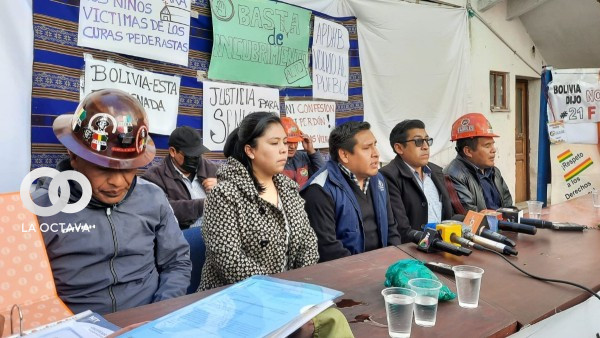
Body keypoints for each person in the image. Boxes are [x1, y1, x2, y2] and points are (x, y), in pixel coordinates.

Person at [33, 89, 191, 315]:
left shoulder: (153, 199)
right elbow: (27, 297)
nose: (117, 182)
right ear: (74, 156)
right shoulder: (39, 212)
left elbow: (177, 262)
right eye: (103, 168)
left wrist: (159, 315)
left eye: (128, 169)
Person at [199, 112, 353, 337]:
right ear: (250, 150)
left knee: (331, 318)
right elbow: (228, 258)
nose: (283, 149)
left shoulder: (288, 190)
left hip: (289, 293)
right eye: (274, 143)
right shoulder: (225, 194)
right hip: (235, 300)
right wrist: (278, 293)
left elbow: (308, 242)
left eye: (285, 142)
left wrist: (297, 288)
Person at [301, 121, 401, 262]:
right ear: (344, 155)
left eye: (375, 145)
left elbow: (391, 228)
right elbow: (327, 248)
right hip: (345, 274)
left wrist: (394, 263)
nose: (376, 154)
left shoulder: (378, 179)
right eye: (367, 148)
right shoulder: (319, 189)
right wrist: (368, 270)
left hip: (381, 267)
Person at [381, 120, 455, 242]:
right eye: (418, 141)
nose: (425, 146)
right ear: (399, 148)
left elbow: (448, 217)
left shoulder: (436, 171)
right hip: (413, 249)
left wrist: (474, 217)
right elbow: (401, 229)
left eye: (427, 140)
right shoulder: (389, 176)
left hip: (444, 244)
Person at [143, 126, 218, 229]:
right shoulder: (155, 177)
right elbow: (162, 209)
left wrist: (222, 187)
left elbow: (240, 191)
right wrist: (203, 205)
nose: (196, 159)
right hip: (181, 236)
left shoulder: (213, 169)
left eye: (198, 154)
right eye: (190, 155)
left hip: (219, 231)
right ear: (173, 151)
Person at [443, 113, 513, 212]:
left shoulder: (494, 172)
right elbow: (469, 215)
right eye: (487, 146)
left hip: (501, 226)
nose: (493, 150)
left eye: (493, 144)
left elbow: (508, 204)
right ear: (468, 151)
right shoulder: (453, 175)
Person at [281, 117, 325, 188]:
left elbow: (323, 174)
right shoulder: (274, 161)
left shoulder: (303, 157)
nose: (292, 146)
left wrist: (311, 151)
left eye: (295, 142)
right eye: (288, 142)